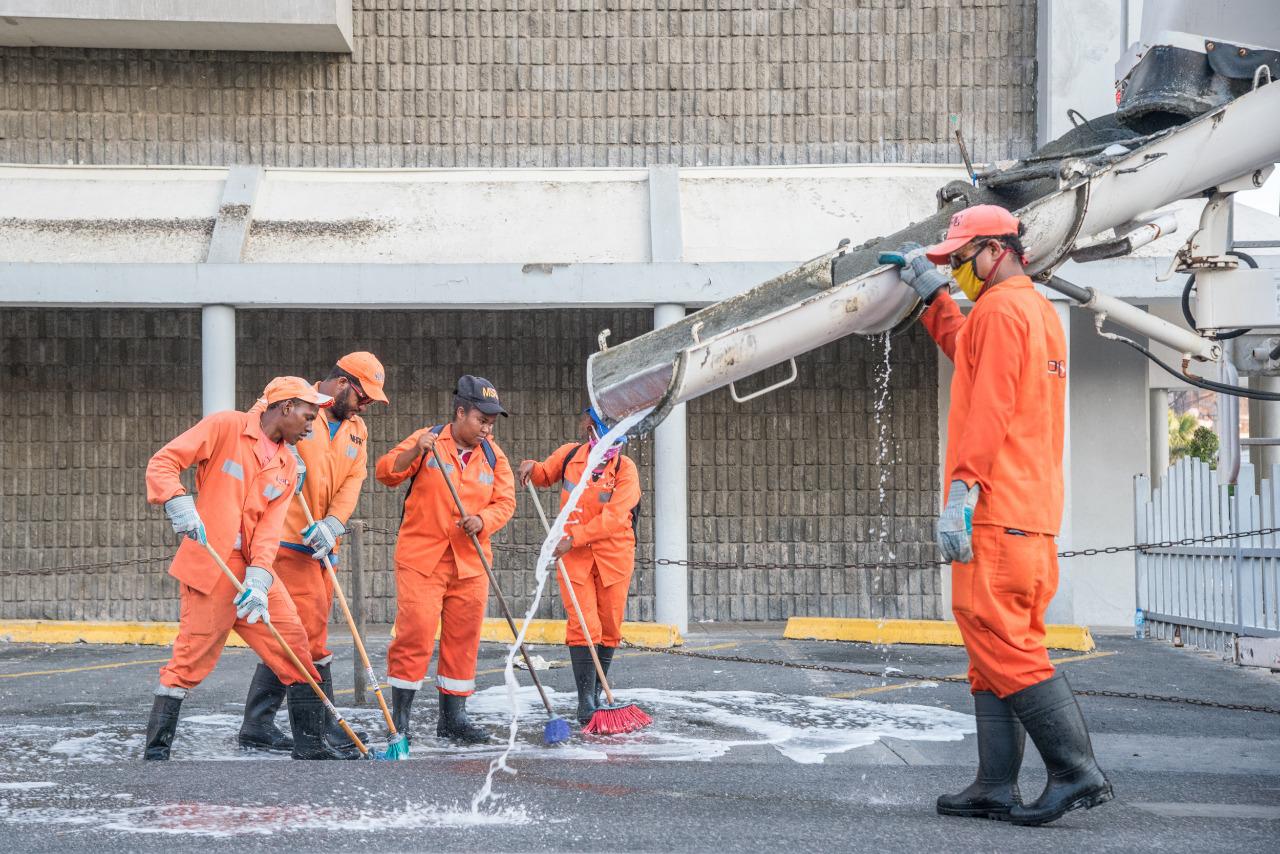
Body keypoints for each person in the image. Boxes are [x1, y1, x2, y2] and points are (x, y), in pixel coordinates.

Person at [888, 205, 1112, 826]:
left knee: (1003, 645)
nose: (957, 269)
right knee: (996, 649)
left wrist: (962, 491)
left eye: (960, 260)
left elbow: (987, 408)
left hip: (995, 509)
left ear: (994, 249)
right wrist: (936, 297)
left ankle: (1075, 772)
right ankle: (993, 785)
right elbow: (977, 357)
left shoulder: (999, 309)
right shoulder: (1035, 311)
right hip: (1031, 514)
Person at [143, 376, 361, 761]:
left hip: (252, 569)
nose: (312, 427)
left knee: (294, 643)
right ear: (286, 407)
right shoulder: (226, 426)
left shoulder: (288, 466)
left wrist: (260, 580)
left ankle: (310, 747)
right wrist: (176, 500)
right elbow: (164, 462)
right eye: (308, 417)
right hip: (212, 563)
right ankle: (156, 753)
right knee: (190, 662)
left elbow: (269, 532)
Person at [236, 353, 389, 754]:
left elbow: (353, 480)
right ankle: (321, 725)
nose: (364, 405)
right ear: (341, 383)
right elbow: (253, 430)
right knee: (306, 638)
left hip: (320, 544)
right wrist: (280, 456)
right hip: (284, 540)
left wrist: (335, 523)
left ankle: (260, 724)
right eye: (362, 396)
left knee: (298, 636)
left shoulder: (358, 429)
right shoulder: (293, 401)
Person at [375, 375, 516, 743]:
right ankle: (401, 722)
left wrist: (483, 520)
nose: (487, 428)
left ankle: (453, 718)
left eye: (491, 422)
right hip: (422, 558)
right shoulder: (430, 441)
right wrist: (415, 451)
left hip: (470, 562)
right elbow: (386, 471)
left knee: (463, 638)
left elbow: (505, 503)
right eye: (481, 420)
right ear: (460, 412)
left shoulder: (493, 456)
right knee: (416, 634)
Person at [518, 407, 640, 724]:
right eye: (607, 442)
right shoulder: (570, 456)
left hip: (613, 557)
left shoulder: (626, 470)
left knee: (610, 626)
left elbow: (613, 518)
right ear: (590, 431)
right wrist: (532, 467)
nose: (612, 451)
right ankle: (585, 700)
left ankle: (598, 693)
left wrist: (576, 537)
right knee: (583, 624)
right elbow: (545, 474)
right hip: (575, 559)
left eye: (617, 444)